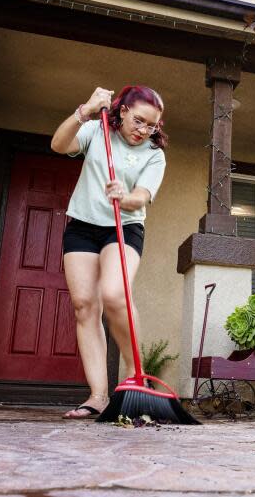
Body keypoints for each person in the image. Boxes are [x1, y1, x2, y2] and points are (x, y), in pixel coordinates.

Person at [50, 85, 167, 419]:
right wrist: (84, 110)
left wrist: (124, 195)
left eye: (152, 126)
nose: (143, 130)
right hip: (83, 226)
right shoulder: (96, 129)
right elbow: (58, 145)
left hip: (124, 226)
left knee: (115, 293)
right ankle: (98, 396)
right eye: (139, 121)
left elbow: (142, 196)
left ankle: (135, 377)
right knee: (85, 305)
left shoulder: (153, 154)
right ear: (123, 110)